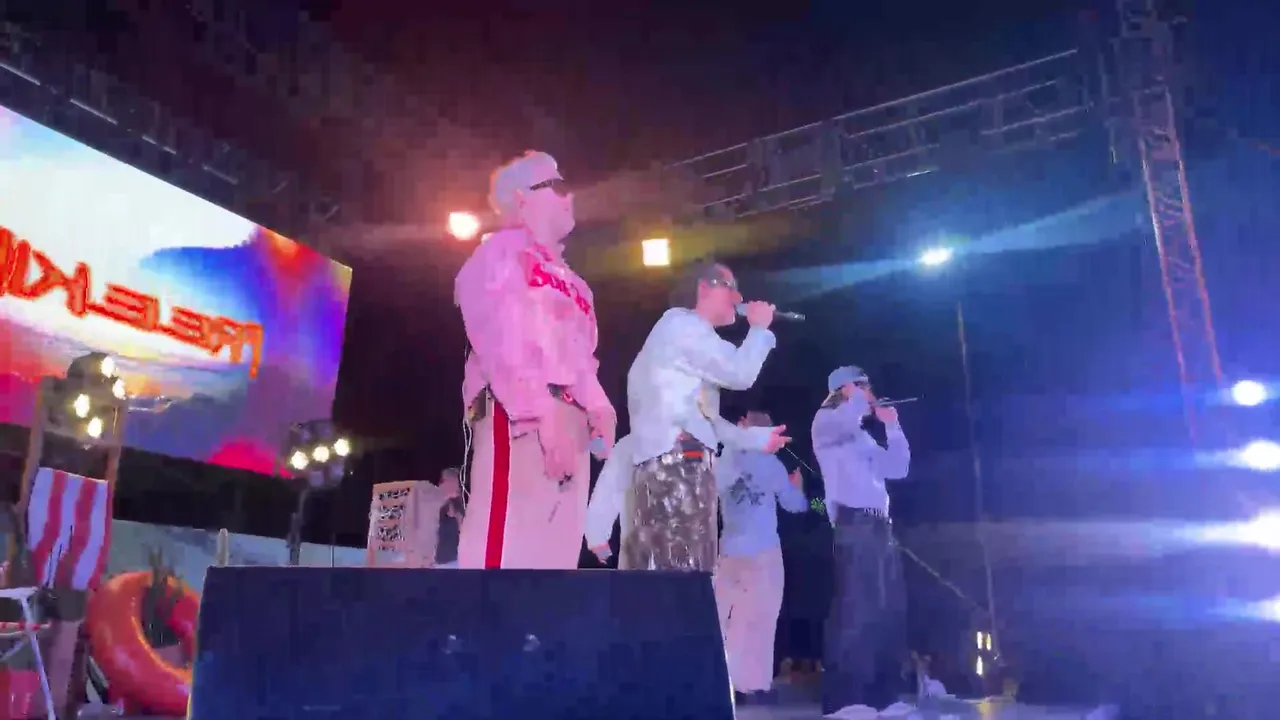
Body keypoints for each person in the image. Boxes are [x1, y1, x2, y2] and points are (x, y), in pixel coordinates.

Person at [453, 151, 616, 569]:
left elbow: (580, 356)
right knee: (508, 550)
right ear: (521, 198)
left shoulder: (575, 282)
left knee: (556, 556)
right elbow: (502, 343)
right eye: (557, 186)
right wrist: (541, 415)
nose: (569, 196)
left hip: (570, 419)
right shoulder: (498, 253)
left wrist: (599, 407)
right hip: (519, 417)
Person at [622, 258, 789, 572]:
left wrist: (753, 439)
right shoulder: (681, 326)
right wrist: (758, 330)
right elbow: (740, 373)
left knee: (676, 572)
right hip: (676, 465)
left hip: (676, 463)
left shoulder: (689, 338)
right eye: (730, 287)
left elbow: (705, 418)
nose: (739, 298)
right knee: (679, 573)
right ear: (703, 287)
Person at [812, 365, 912, 714]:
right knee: (856, 610)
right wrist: (858, 400)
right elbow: (844, 418)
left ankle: (883, 696)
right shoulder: (826, 422)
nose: (872, 395)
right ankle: (846, 700)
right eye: (865, 387)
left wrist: (892, 427)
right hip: (853, 523)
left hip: (880, 525)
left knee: (886, 609)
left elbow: (897, 468)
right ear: (847, 389)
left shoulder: (861, 436)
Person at [713, 410, 809, 705]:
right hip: (763, 551)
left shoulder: (724, 459)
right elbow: (796, 505)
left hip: (728, 551)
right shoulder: (771, 464)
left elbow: (713, 489)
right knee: (759, 620)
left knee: (724, 620)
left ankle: (723, 681)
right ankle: (751, 684)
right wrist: (799, 487)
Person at [434, 468, 465, 568]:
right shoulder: (435, 504)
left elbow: (464, 532)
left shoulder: (461, 506)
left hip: (455, 562)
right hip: (436, 563)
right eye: (444, 481)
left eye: (452, 481)